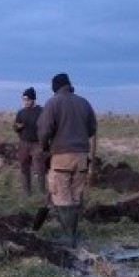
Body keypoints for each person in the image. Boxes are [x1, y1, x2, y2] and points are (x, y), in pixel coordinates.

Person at [36, 72, 97, 247]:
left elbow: (44, 130)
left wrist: (45, 147)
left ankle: (68, 236)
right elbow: (92, 128)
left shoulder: (53, 103)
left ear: (55, 87)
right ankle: (73, 234)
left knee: (61, 195)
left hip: (62, 156)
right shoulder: (84, 103)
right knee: (76, 195)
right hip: (82, 156)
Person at [13, 87, 45, 195]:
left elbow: (46, 126)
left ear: (33, 99)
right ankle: (27, 191)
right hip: (23, 143)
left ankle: (42, 192)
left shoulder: (41, 111)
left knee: (39, 168)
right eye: (24, 100)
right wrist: (17, 127)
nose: (25, 102)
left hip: (37, 144)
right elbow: (16, 126)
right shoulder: (21, 113)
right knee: (24, 167)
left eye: (27, 100)